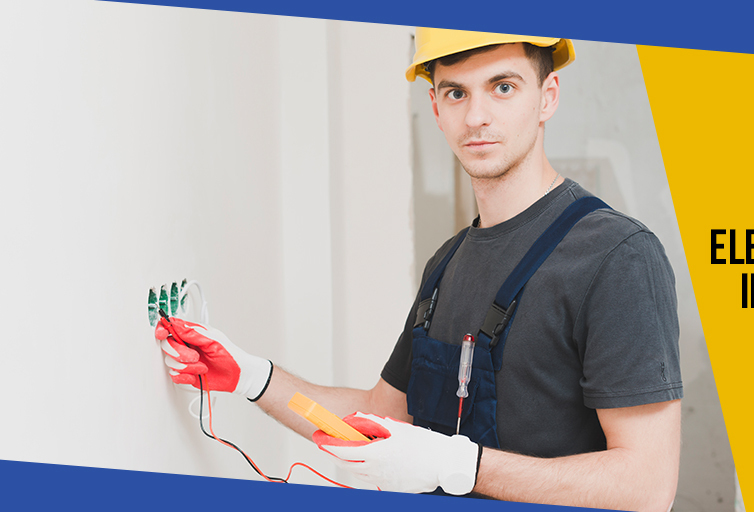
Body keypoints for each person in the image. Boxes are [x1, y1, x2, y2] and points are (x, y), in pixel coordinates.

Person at [157, 28, 682, 511]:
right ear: (435, 107)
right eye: (456, 93)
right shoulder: (448, 263)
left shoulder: (616, 256)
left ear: (547, 96)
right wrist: (253, 377)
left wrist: (457, 465)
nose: (475, 117)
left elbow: (647, 486)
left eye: (502, 87)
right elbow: (381, 414)